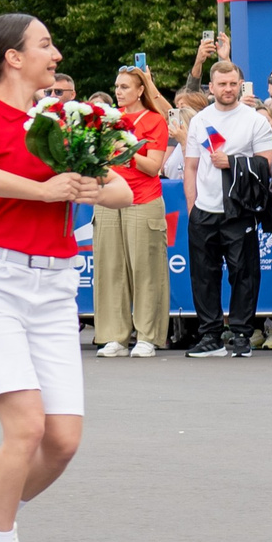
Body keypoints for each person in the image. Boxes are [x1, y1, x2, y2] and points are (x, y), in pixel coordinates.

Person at [0, 14, 130, 542]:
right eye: (45, 45)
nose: (56, 55)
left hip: (55, 290)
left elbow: (124, 189)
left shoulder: (66, 122)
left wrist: (88, 185)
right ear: (13, 58)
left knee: (63, 442)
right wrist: (45, 190)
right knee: (26, 428)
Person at [182, 60, 272, 358]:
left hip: (239, 209)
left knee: (244, 273)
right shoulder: (200, 120)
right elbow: (191, 166)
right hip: (204, 211)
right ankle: (211, 336)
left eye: (233, 84)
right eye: (222, 84)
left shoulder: (254, 120)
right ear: (211, 86)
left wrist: (232, 161)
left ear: (240, 84)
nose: (228, 89)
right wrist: (192, 206)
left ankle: (242, 335)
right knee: (203, 275)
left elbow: (267, 163)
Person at [97, 66, 173, 358]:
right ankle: (114, 336)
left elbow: (153, 167)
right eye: (117, 86)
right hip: (108, 198)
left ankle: (147, 336)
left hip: (142, 199)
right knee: (110, 269)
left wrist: (126, 150)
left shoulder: (154, 120)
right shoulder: (109, 119)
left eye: (125, 87)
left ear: (141, 90)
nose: (118, 91)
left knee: (145, 270)